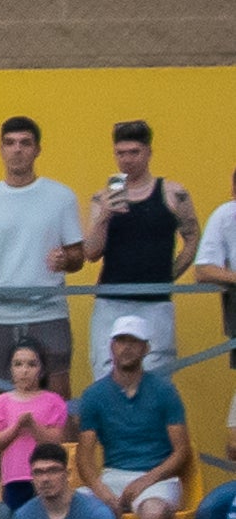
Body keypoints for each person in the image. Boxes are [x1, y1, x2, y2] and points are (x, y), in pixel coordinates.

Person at [0, 115, 86, 391]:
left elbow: (78, 256)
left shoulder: (61, 196)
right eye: (10, 143)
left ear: (37, 149)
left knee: (58, 404)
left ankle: (61, 439)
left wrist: (65, 259)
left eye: (25, 143)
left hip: (48, 312)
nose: (17, 149)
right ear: (1, 149)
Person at [77, 323, 195, 519]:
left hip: (158, 475)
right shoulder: (94, 395)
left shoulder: (165, 391)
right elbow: (84, 456)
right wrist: (101, 491)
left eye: (134, 341)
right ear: (111, 346)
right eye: (120, 340)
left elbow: (182, 451)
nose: (126, 347)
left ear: (146, 349)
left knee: (153, 513)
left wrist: (145, 481)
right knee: (75, 504)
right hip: (113, 474)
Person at [88, 119, 194, 369]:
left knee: (156, 373)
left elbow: (192, 237)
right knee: (106, 373)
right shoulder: (102, 198)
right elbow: (91, 252)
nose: (127, 160)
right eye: (120, 153)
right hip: (111, 299)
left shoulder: (173, 193)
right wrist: (104, 216)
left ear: (148, 152)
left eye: (134, 152)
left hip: (155, 301)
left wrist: (170, 275)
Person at [0, 336, 70, 511]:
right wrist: (17, 427)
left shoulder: (54, 401)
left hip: (47, 477)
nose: (24, 370)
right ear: (10, 370)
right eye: (18, 365)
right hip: (15, 479)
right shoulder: (0, 403)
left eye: (31, 365)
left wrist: (33, 426)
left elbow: (56, 442)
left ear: (41, 370)